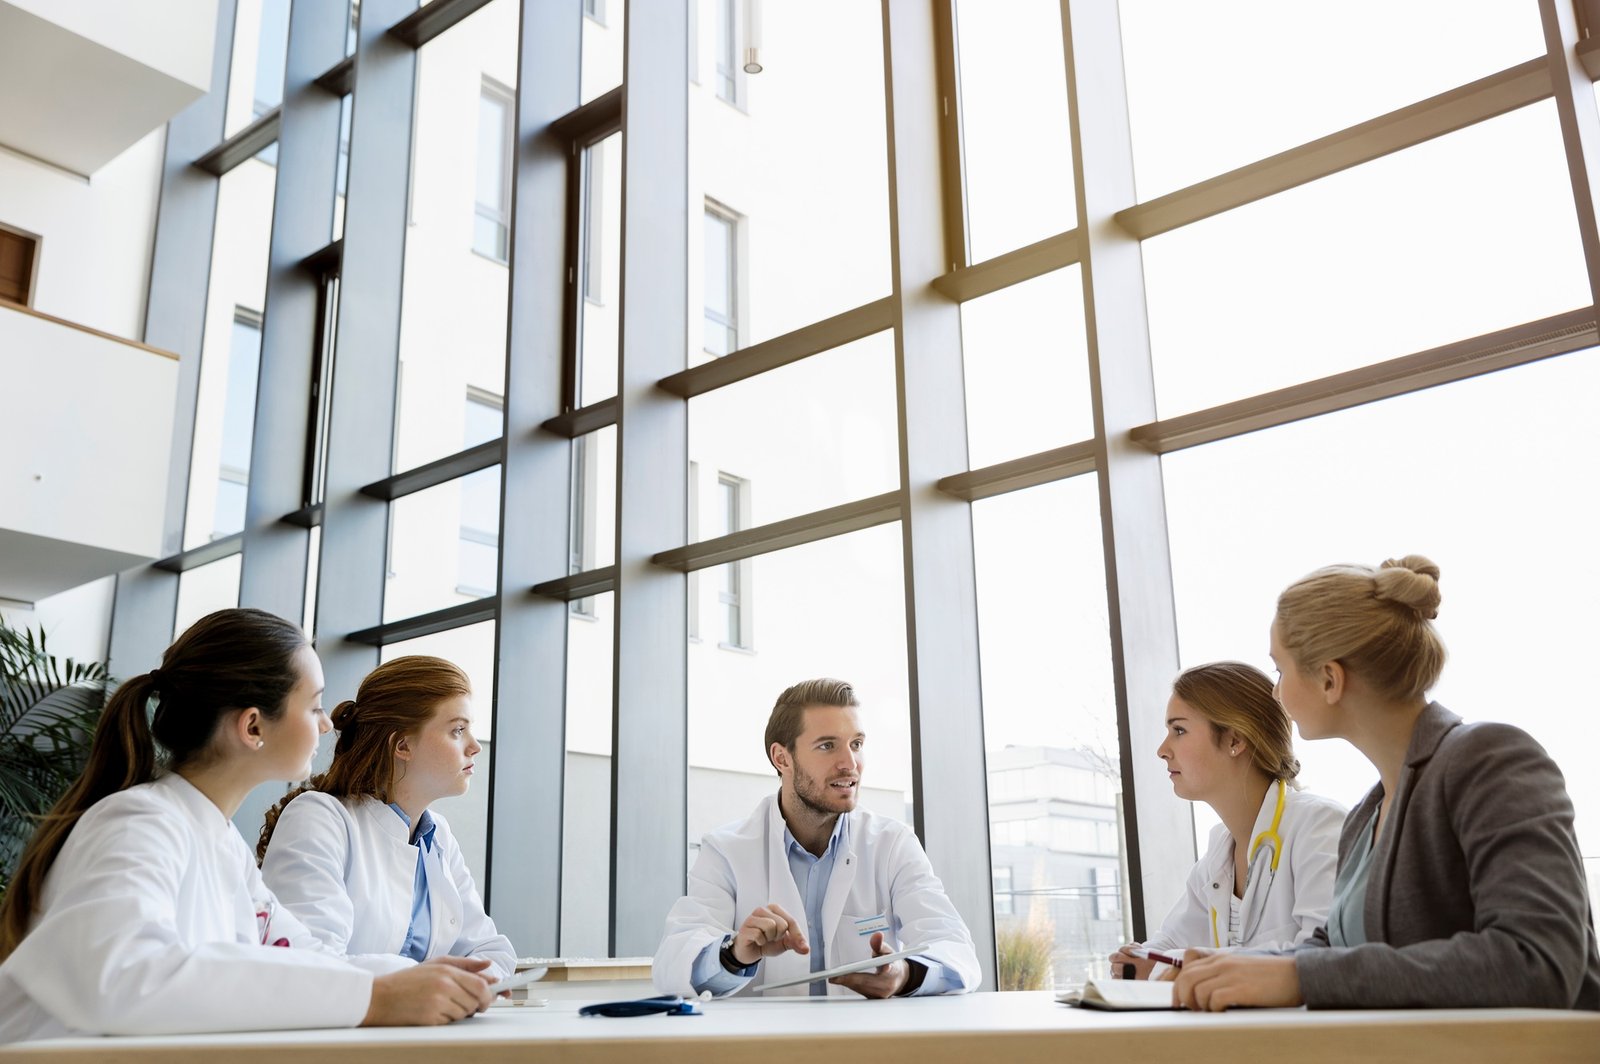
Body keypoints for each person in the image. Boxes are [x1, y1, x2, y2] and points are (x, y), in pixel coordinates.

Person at [0, 609, 495, 1043]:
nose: (327, 724)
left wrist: (422, 982)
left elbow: (305, 957)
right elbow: (124, 977)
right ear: (253, 726)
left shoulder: (219, 844)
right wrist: (375, 996)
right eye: (314, 706)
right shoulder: (138, 824)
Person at [1175, 555, 1600, 1011]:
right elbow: (1332, 951)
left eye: (1280, 670)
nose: (1276, 692)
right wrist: (1236, 966)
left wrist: (1300, 976)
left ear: (1330, 679)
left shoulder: (1490, 759)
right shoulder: (1366, 816)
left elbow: (1536, 961)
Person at [653, 679, 981, 999]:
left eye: (856, 744)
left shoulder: (892, 845)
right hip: (765, 1038)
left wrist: (904, 975)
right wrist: (733, 954)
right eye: (827, 746)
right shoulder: (725, 851)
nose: (850, 764)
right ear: (782, 758)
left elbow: (955, 950)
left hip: (866, 1037)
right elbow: (673, 963)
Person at [258, 656, 514, 978]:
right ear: (402, 745)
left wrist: (460, 986)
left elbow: (490, 951)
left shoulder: (438, 836)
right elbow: (307, 963)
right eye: (458, 730)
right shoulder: (319, 818)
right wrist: (426, 981)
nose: (475, 746)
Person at [1110, 662, 1344, 979]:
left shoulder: (1319, 826)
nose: (1162, 750)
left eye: (1179, 731)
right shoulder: (1218, 856)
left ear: (1234, 740)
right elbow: (1165, 947)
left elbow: (1324, 959)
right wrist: (1135, 959)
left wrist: (1169, 966)